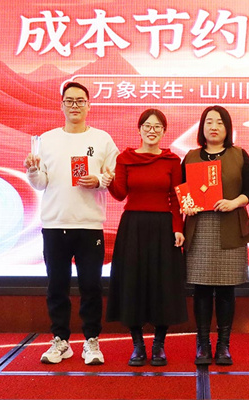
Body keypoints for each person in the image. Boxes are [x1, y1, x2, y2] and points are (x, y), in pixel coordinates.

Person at [24, 80, 119, 365]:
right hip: (55, 224)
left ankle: (91, 341)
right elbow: (41, 183)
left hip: (89, 224)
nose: (75, 106)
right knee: (57, 286)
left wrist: (98, 180)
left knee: (91, 286)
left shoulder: (102, 139)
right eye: (69, 101)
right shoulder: (47, 139)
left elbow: (113, 176)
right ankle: (61, 341)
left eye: (80, 101)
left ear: (89, 105)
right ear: (62, 105)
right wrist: (32, 171)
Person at [103, 109, 187, 367]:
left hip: (164, 226)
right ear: (139, 129)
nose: (152, 130)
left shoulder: (172, 160)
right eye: (147, 126)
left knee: (164, 284)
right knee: (133, 282)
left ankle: (159, 345)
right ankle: (138, 345)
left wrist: (178, 228)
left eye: (157, 126)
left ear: (164, 131)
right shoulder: (125, 158)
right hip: (133, 226)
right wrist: (108, 181)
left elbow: (176, 197)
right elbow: (120, 194)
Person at [182, 105, 249, 366]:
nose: (214, 127)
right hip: (200, 228)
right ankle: (203, 344)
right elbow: (182, 191)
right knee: (201, 289)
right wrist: (187, 204)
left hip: (230, 227)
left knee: (226, 289)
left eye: (220, 122)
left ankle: (224, 345)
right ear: (202, 127)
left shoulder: (239, 154)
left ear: (228, 128)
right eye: (209, 122)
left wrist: (234, 202)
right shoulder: (190, 157)